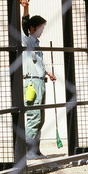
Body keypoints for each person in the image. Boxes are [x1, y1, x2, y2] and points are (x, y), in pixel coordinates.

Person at [22, 13, 56, 158]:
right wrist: (25, 8)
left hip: (41, 81)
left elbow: (39, 63)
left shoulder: (37, 44)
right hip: (31, 82)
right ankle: (28, 150)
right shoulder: (27, 41)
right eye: (40, 27)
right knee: (33, 116)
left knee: (40, 117)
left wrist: (47, 72)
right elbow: (23, 24)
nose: (42, 30)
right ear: (32, 27)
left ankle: (35, 149)